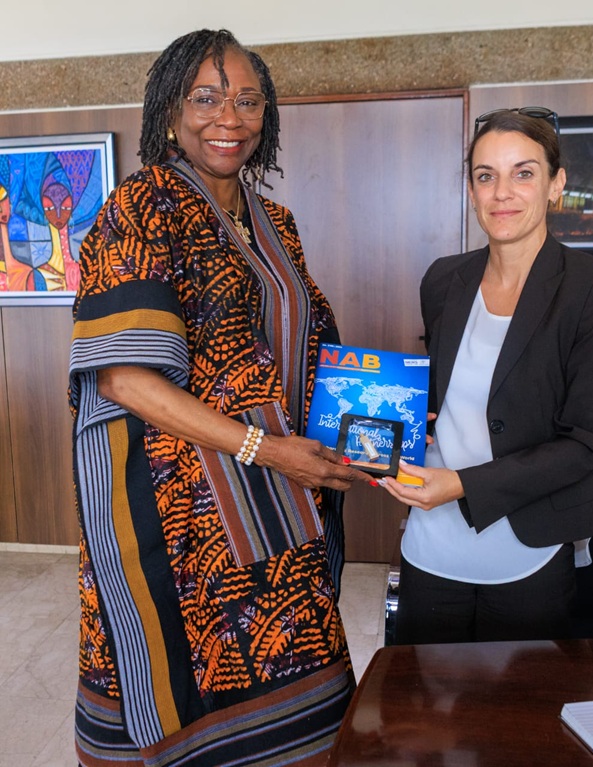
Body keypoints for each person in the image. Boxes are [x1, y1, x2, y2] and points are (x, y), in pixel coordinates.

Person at [69, 28, 371, 767]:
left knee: (310, 704)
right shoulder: (141, 206)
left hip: (278, 501)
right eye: (205, 98)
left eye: (247, 100)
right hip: (179, 519)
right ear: (170, 113)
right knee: (183, 680)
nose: (228, 117)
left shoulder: (276, 225)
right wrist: (267, 449)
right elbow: (123, 379)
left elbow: (304, 354)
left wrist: (374, 419)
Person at [380, 107, 593, 644]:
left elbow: (586, 443)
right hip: (432, 537)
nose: (502, 193)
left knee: (519, 695)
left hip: (530, 542)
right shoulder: (443, 279)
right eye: (486, 175)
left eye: (523, 173)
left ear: (556, 184)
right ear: (471, 190)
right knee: (424, 692)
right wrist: (401, 426)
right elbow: (446, 397)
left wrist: (462, 485)